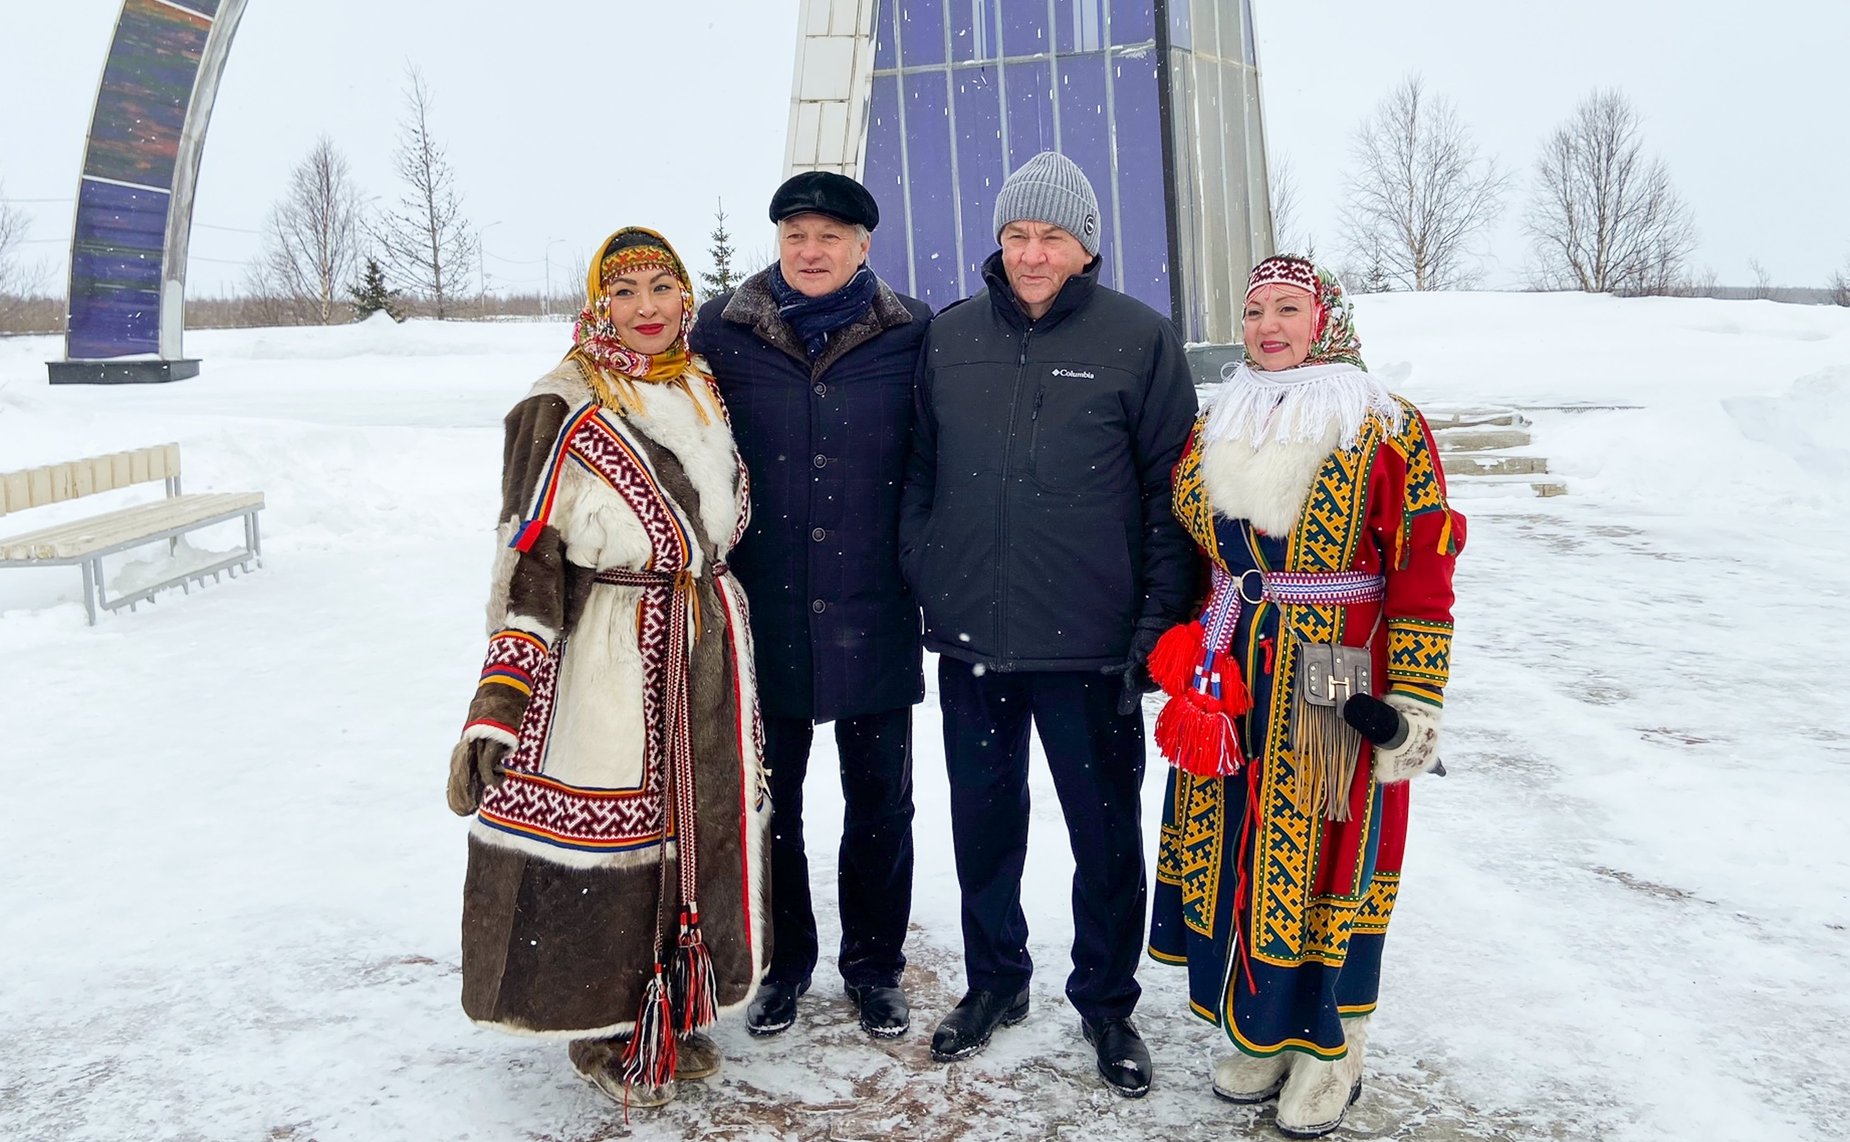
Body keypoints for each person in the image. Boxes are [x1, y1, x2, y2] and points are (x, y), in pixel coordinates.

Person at [446, 227, 769, 1109]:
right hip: (604, 654)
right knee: (607, 832)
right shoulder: (557, 409)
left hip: (700, 645)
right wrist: (500, 699)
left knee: (685, 829)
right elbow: (528, 561)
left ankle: (670, 999)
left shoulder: (699, 389)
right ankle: (599, 1021)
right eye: (625, 293)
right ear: (598, 306)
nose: (648, 309)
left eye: (662, 287)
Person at [898, 151, 1198, 1098]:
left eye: (1052, 237)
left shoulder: (1139, 342)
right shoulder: (948, 338)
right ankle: (995, 983)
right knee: (984, 825)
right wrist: (927, 568)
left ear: (1086, 248)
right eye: (1018, 235)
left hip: (1091, 648)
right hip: (973, 643)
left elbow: (1171, 498)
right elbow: (918, 475)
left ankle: (1106, 1004)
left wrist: (1155, 624)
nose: (1032, 254)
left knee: (1103, 836)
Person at [1144, 255, 1464, 1138]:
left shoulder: (1386, 426)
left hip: (1335, 669)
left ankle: (1331, 1050)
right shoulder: (1218, 419)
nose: (1267, 327)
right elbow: (1190, 548)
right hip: (1231, 670)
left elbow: (1424, 574)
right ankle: (1260, 1028)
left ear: (1327, 320)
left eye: (1289, 308)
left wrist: (1416, 700)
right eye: (1252, 311)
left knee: (1325, 851)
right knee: (1236, 845)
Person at [689, 171, 932, 1039]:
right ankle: (782, 963)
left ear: (864, 247)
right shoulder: (722, 328)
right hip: (766, 613)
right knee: (771, 801)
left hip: (874, 606)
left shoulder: (911, 332)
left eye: (830, 236)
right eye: (796, 235)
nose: (812, 251)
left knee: (880, 804)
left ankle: (873, 966)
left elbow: (939, 455)